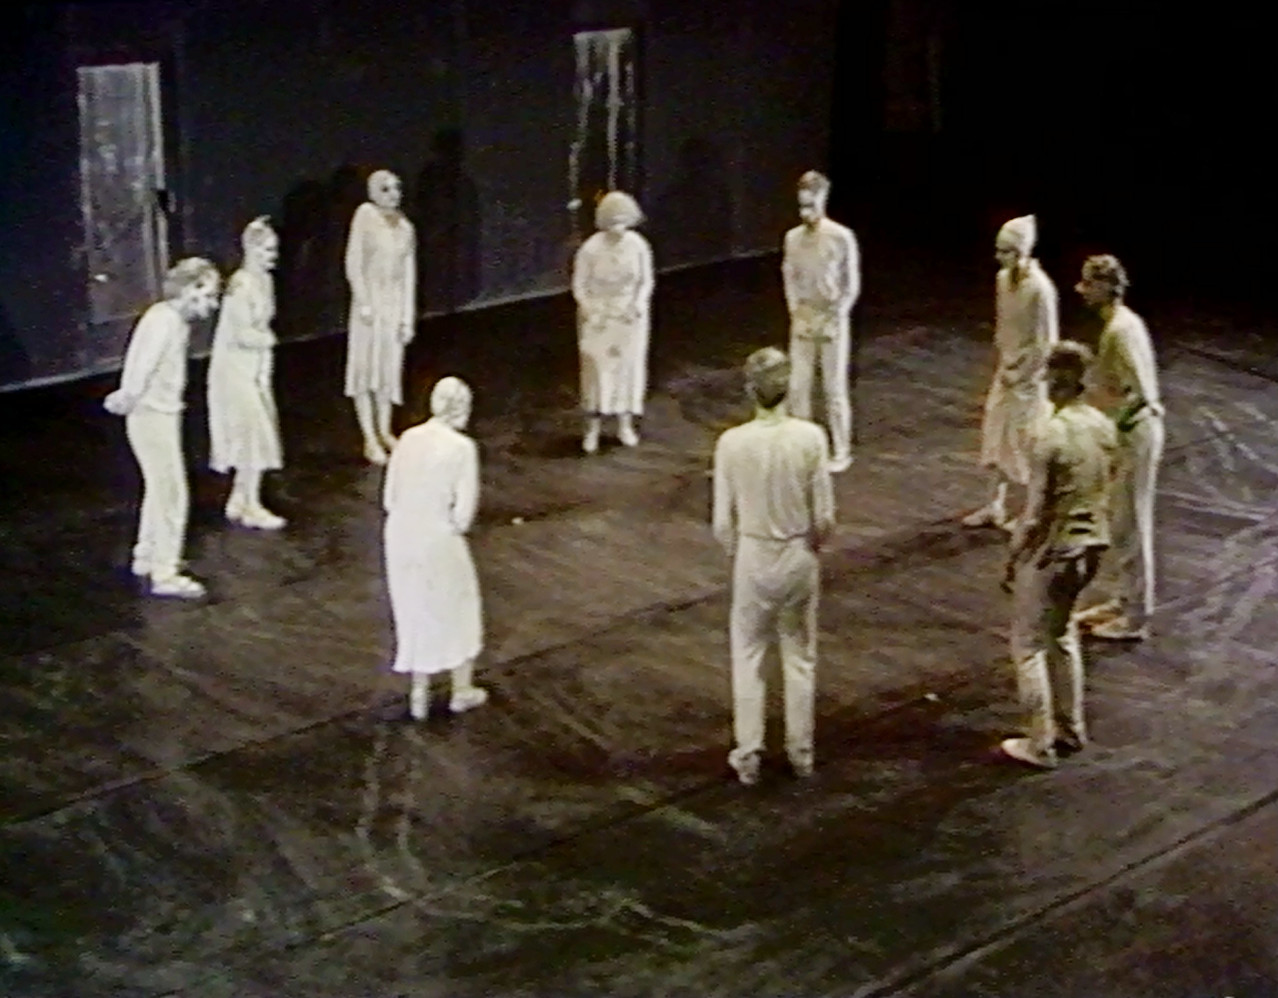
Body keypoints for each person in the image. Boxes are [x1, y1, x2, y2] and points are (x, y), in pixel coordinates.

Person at [712, 347, 836, 785]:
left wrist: (742, 552)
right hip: (798, 553)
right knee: (800, 654)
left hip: (754, 553)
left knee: (748, 654)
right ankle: (801, 753)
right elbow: (825, 516)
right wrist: (811, 546)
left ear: (750, 390)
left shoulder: (731, 443)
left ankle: (749, 754)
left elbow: (721, 523)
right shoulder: (811, 438)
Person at [999, 341, 1117, 768]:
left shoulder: (1048, 436)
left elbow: (1035, 514)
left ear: (1054, 379)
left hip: (1055, 549)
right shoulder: (1103, 427)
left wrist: (1014, 557)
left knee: (1028, 645)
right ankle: (1071, 727)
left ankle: (1040, 742)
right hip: (1093, 544)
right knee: (1063, 634)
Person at [104, 258, 222, 598]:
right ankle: (165, 571)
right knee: (171, 493)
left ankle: (147, 553)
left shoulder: (168, 319)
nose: (212, 304)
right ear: (190, 289)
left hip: (160, 415)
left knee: (160, 488)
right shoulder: (164, 321)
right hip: (152, 417)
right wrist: (127, 397)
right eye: (209, 294)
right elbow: (141, 366)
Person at [383, 376, 488, 721]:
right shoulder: (462, 448)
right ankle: (461, 689)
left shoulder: (408, 439)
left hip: (401, 535)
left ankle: (419, 692)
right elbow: (463, 515)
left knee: (415, 608)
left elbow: (389, 498)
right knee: (458, 605)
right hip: (436, 535)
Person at [1072, 254, 1164, 641]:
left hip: (1135, 435)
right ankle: (1124, 599)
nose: (1082, 291)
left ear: (1105, 286)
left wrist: (1111, 436)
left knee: (1131, 524)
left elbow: (1140, 396)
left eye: (1089, 284)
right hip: (1130, 432)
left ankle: (1136, 615)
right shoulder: (1122, 323)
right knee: (1120, 521)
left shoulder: (1120, 331)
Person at [964, 214, 1059, 530]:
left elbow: (1046, 341)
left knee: (1026, 442)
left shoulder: (1040, 289)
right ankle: (994, 505)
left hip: (1029, 379)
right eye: (999, 250)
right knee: (996, 436)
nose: (1000, 257)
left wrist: (1024, 374)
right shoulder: (1003, 280)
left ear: (1021, 252)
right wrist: (1004, 362)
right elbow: (1003, 324)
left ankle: (1032, 511)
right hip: (1006, 371)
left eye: (1006, 251)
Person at [207, 216, 286, 529]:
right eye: (266, 250)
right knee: (253, 433)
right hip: (235, 370)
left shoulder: (265, 281)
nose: (272, 256)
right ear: (251, 249)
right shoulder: (241, 286)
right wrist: (267, 339)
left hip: (255, 367)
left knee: (255, 430)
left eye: (274, 250)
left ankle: (240, 497)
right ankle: (251, 503)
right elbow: (242, 334)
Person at [781, 170, 860, 473]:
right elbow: (789, 275)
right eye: (801, 206)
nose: (806, 213)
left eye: (811, 206)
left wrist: (838, 314)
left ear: (822, 201)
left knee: (833, 389)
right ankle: (801, 448)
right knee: (798, 386)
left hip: (831, 316)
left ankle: (841, 449)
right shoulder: (792, 238)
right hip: (804, 315)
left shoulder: (841, 237)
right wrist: (795, 311)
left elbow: (850, 282)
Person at [571, 190, 654, 454]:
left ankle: (625, 425)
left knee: (628, 370)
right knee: (596, 373)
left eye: (623, 222)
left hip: (629, 317)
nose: (619, 228)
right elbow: (579, 285)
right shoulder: (590, 249)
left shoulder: (638, 245)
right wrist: (590, 309)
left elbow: (646, 280)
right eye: (614, 222)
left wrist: (638, 303)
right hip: (599, 316)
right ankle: (592, 429)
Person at [345, 169, 417, 465]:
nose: (393, 194)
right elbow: (354, 261)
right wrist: (363, 301)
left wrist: (407, 318)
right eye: (385, 189)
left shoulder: (405, 228)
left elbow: (409, 275)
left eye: (396, 188)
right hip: (370, 305)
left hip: (392, 305)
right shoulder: (365, 216)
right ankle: (369, 437)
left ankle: (385, 429)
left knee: (388, 370)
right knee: (365, 371)